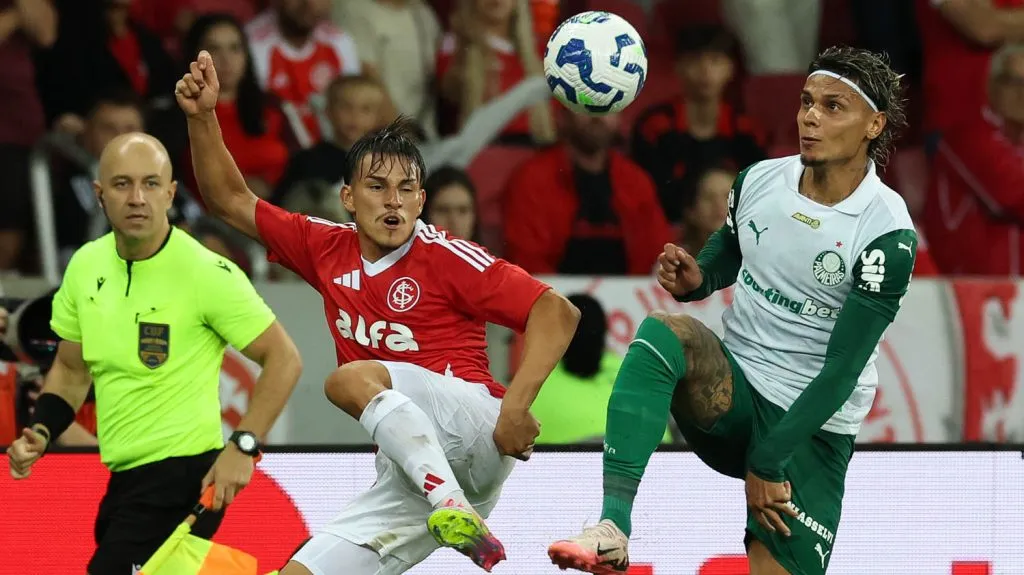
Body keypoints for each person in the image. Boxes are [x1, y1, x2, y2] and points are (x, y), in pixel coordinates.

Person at [176, 50, 580, 573]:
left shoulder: (445, 256)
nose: (393, 201)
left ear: (421, 200)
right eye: (377, 187)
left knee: (347, 380)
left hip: (473, 427)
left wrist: (515, 408)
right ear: (347, 196)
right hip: (410, 472)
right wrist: (203, 117)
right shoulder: (322, 246)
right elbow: (229, 199)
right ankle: (453, 511)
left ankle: (451, 505)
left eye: (406, 189)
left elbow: (557, 312)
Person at [548, 46, 916, 574]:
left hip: (810, 433)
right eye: (807, 102)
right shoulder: (759, 180)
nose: (811, 116)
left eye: (834, 107)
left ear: (873, 126)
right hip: (735, 395)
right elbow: (733, 246)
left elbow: (841, 372)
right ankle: (612, 528)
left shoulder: (885, 232)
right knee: (664, 333)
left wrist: (769, 460)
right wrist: (701, 278)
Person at [5, 132, 303, 574]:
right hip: (125, 479)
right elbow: (70, 370)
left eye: (150, 184)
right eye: (122, 184)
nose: (138, 198)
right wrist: (42, 432)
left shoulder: (206, 272)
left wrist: (243, 446)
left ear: (170, 193)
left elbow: (284, 359)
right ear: (99, 195)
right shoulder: (85, 267)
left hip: (185, 476)